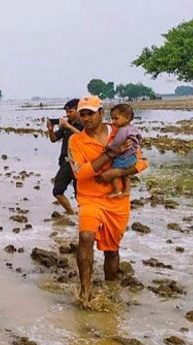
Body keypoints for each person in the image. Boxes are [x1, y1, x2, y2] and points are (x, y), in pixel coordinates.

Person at [68, 96, 148, 307]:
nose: (85, 118)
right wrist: (110, 152)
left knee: (111, 249)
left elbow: (141, 163)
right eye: (82, 114)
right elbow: (81, 173)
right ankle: (85, 292)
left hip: (117, 199)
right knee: (85, 236)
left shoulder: (121, 131)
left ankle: (111, 288)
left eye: (90, 113)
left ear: (101, 113)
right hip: (89, 198)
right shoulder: (76, 141)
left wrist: (118, 172)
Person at [46, 99, 83, 215]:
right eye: (66, 112)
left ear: (78, 110)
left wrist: (68, 126)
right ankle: (72, 213)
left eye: (70, 111)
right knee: (57, 191)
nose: (68, 114)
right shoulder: (67, 124)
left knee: (81, 194)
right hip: (66, 163)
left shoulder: (85, 124)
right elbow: (53, 139)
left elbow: (85, 137)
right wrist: (50, 130)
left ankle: (85, 217)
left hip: (80, 164)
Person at [104, 104, 141, 198]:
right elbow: (139, 137)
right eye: (112, 119)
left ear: (127, 118)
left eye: (116, 119)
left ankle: (117, 191)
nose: (113, 122)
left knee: (113, 172)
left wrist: (108, 147)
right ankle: (127, 190)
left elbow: (116, 142)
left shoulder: (123, 130)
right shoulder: (133, 128)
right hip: (132, 157)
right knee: (126, 175)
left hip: (124, 157)